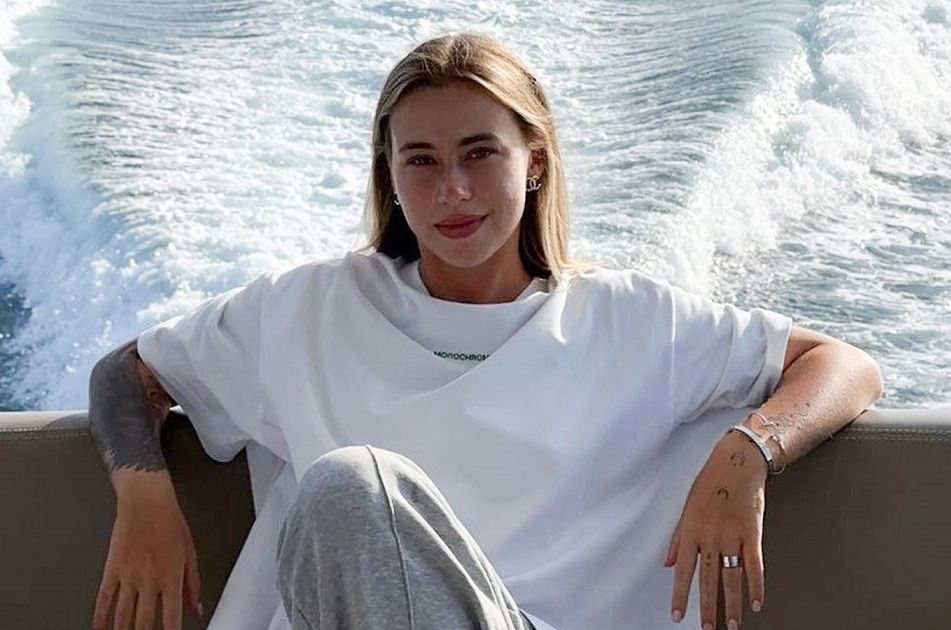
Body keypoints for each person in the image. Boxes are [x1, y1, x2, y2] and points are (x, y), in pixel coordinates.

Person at [88, 32, 883, 630]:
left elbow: (840, 365)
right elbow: (131, 374)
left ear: (533, 161)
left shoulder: (629, 320)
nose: (453, 191)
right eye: (421, 161)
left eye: (479, 154)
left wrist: (745, 456)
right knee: (350, 487)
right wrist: (144, 496)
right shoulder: (305, 309)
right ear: (389, 174)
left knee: (350, 483)